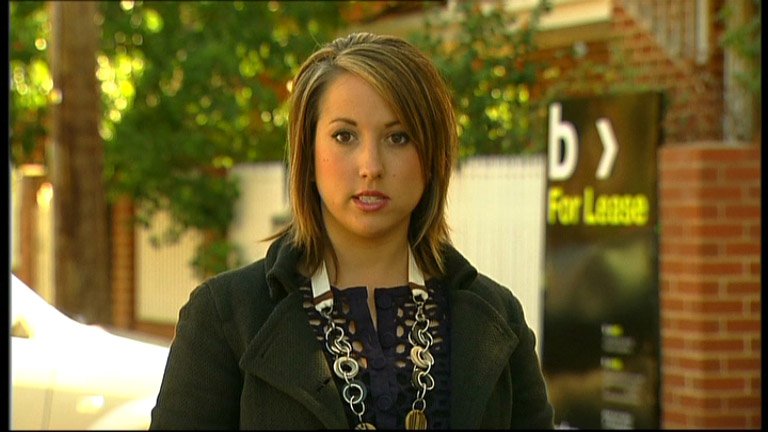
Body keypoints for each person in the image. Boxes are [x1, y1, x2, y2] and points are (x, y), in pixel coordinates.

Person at [150, 31, 554, 430]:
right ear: (308, 154)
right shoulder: (225, 316)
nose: (370, 166)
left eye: (398, 137)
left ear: (432, 157)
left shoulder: (499, 319)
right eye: (344, 136)